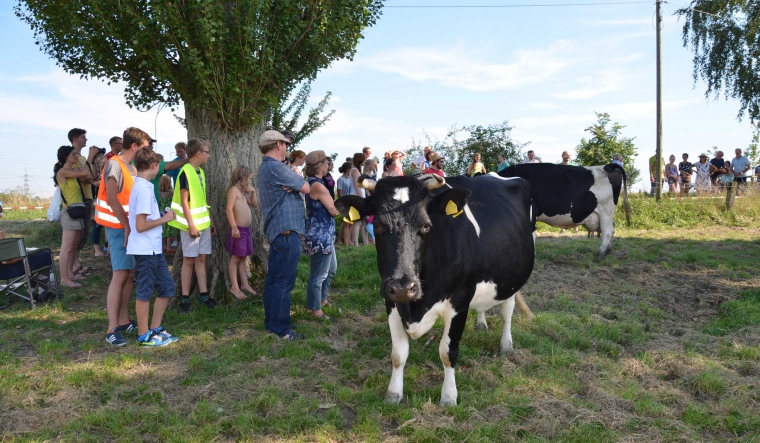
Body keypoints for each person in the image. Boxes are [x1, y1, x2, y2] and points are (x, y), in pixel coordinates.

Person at [95, 126, 151, 347]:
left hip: (129, 229)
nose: (146, 153)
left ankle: (123, 319)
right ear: (134, 146)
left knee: (129, 274)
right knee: (120, 275)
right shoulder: (114, 165)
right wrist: (127, 227)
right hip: (119, 229)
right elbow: (111, 198)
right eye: (144, 148)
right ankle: (112, 328)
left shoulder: (131, 167)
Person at [257, 130, 310, 341]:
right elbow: (306, 187)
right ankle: (281, 329)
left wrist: (295, 183)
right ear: (278, 145)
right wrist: (297, 182)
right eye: (286, 144)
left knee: (274, 280)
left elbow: (299, 185)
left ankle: (273, 323)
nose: (287, 147)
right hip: (286, 232)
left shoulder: (268, 168)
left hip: (280, 232)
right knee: (283, 282)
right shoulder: (276, 167)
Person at [127, 148, 178, 347]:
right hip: (145, 250)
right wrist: (164, 219)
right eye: (159, 166)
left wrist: (161, 216)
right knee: (145, 291)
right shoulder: (141, 188)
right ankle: (143, 335)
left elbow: (145, 219)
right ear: (153, 165)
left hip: (153, 249)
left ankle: (155, 328)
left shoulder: (145, 186)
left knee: (167, 287)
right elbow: (140, 226)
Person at [167, 138, 217, 313]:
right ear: (198, 153)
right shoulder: (185, 172)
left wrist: (209, 220)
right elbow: (184, 201)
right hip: (192, 226)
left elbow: (201, 200)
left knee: (202, 259)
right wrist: (191, 225)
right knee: (188, 261)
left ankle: (204, 295)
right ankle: (185, 299)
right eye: (207, 151)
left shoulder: (200, 172)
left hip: (203, 223)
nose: (209, 155)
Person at [303, 151, 340, 322]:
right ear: (320, 165)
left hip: (324, 235)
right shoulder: (317, 185)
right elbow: (333, 211)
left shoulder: (315, 183)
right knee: (318, 275)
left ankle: (322, 299)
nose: (328, 165)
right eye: (326, 162)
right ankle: (315, 309)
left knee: (331, 270)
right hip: (320, 236)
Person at [53, 145, 90, 288]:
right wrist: (90, 157)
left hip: (77, 211)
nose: (77, 156)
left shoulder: (72, 171)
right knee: (67, 247)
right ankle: (64, 279)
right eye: (74, 154)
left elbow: (87, 175)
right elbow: (85, 171)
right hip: (69, 213)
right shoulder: (63, 172)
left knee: (73, 246)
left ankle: (69, 274)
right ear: (66, 156)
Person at [224, 165, 259, 300]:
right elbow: (229, 209)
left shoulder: (242, 191)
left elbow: (254, 204)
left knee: (243, 257)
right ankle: (234, 287)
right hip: (238, 230)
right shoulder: (233, 190)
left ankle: (244, 284)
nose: (250, 182)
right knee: (235, 258)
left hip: (246, 230)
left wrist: (253, 192)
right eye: (249, 179)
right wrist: (234, 227)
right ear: (242, 177)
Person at [68, 128, 98, 278]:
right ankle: (73, 267)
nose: (86, 139)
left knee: (84, 234)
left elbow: (91, 175)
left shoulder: (81, 158)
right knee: (76, 236)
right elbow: (82, 177)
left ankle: (77, 264)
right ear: (75, 139)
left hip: (87, 198)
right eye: (83, 137)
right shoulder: (72, 156)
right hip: (78, 201)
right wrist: (90, 158)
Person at [90, 147, 108, 257]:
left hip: (106, 200)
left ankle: (107, 246)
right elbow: (95, 183)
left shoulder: (106, 172)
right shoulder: (92, 173)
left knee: (107, 225)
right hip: (97, 201)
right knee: (97, 225)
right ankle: (97, 249)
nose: (104, 160)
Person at [349, 153, 368, 246]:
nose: (365, 161)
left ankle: (364, 242)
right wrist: (362, 198)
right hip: (356, 196)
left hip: (359, 195)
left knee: (362, 221)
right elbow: (357, 186)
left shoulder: (358, 170)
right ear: (360, 160)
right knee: (357, 221)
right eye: (364, 159)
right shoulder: (355, 170)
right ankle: (356, 243)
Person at [158, 175, 177, 253]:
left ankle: (163, 246)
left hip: (161, 213)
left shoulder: (159, 193)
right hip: (169, 212)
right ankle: (169, 247)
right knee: (169, 230)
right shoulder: (170, 192)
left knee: (163, 229)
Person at [335, 162, 353, 246]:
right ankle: (346, 242)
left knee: (350, 222)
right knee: (346, 222)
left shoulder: (350, 179)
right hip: (344, 203)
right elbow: (340, 193)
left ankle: (348, 240)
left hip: (351, 202)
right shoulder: (340, 179)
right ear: (348, 169)